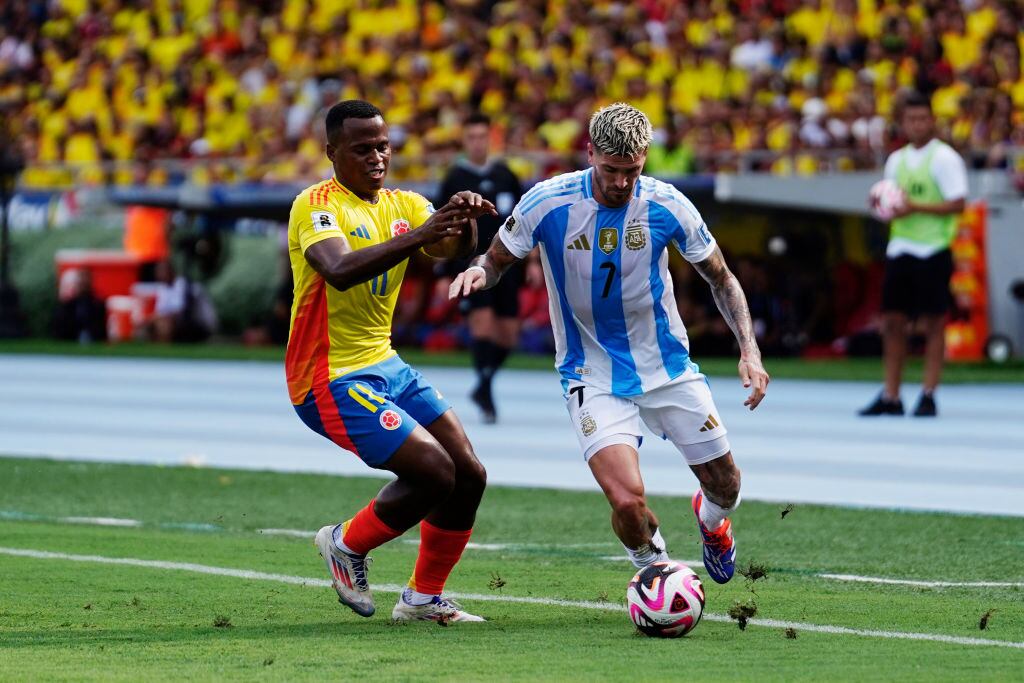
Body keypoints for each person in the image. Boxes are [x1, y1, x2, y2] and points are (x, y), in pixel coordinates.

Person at [449, 103, 769, 585]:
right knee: (626, 501)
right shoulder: (547, 202)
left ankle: (712, 520)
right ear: (591, 152)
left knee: (726, 483)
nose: (621, 182)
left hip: (666, 365)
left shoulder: (668, 205)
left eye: (633, 171)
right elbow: (496, 260)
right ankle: (653, 571)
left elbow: (721, 278)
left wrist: (750, 349)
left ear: (645, 160)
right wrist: (479, 271)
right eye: (612, 170)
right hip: (588, 371)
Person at [287, 100, 496, 623]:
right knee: (433, 472)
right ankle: (345, 544)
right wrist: (424, 235)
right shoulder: (316, 205)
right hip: (327, 376)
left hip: (386, 364)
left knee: (468, 473)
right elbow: (337, 269)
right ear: (331, 152)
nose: (377, 157)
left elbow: (446, 250)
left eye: (383, 146)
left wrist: (464, 221)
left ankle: (423, 599)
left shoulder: (405, 204)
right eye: (362, 149)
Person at [859, 91, 967, 418]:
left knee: (933, 323)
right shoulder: (897, 160)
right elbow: (890, 200)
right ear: (904, 122)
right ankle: (892, 395)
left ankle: (929, 393)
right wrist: (883, 208)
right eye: (911, 119)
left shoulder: (945, 158)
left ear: (931, 120)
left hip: (933, 248)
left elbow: (959, 202)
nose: (917, 124)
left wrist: (913, 207)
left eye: (923, 118)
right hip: (902, 247)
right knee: (892, 322)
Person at [437, 113, 524, 423]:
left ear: (491, 139)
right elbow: (442, 226)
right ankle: (486, 395)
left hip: (506, 260)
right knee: (483, 325)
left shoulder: (505, 175)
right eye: (471, 137)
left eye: (482, 137)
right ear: (465, 141)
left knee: (509, 334)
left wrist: (536, 261)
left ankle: (484, 384)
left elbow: (524, 219)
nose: (477, 143)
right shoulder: (455, 178)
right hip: (469, 262)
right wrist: (445, 270)